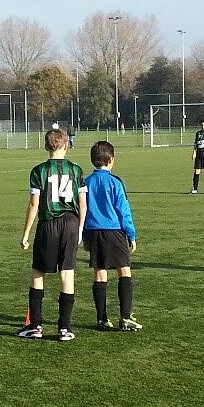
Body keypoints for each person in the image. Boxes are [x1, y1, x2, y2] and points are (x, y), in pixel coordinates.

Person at [16, 129, 87, 342]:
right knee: (67, 273)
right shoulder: (76, 169)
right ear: (66, 145)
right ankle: (64, 328)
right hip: (71, 224)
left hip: (48, 224)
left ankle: (35, 326)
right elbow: (83, 204)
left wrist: (26, 234)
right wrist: (80, 230)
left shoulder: (39, 171)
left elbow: (34, 204)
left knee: (38, 272)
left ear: (46, 146)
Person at [84, 141, 142, 332]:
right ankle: (125, 317)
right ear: (111, 160)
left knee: (100, 273)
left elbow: (81, 211)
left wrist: (85, 236)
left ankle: (101, 319)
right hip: (114, 231)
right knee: (124, 271)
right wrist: (131, 235)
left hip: (93, 232)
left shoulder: (86, 183)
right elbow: (123, 210)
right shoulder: (115, 182)